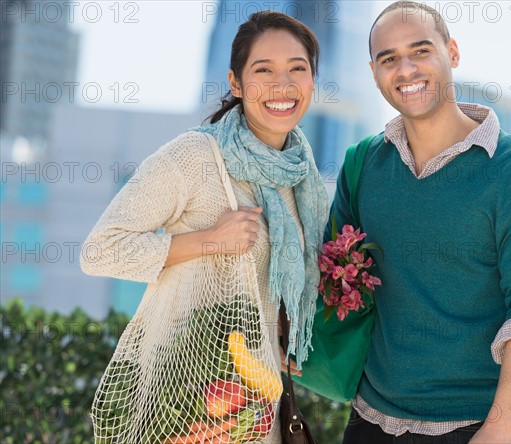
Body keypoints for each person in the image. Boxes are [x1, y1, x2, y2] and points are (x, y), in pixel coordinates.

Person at [80, 11, 329, 444]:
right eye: (263, 70)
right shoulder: (196, 156)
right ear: (236, 83)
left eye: (297, 69)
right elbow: (101, 250)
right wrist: (209, 241)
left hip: (257, 405)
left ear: (311, 82)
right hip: (189, 400)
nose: (282, 85)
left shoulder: (302, 179)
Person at [327, 2, 511, 443]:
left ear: (452, 52)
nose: (405, 69)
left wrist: (498, 428)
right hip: (370, 422)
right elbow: (333, 273)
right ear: (374, 71)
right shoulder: (362, 164)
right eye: (388, 58)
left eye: (421, 51)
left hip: (475, 428)